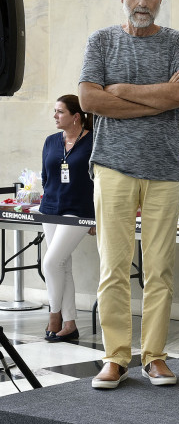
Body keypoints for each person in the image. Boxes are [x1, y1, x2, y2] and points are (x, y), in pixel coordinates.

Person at [78, 0, 179, 389]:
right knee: (113, 266)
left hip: (164, 168)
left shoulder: (176, 42)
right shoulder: (102, 41)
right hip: (113, 165)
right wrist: (156, 99)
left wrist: (122, 91)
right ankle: (115, 357)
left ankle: (156, 357)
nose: (142, 2)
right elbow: (90, 99)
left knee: (160, 269)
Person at [40, 94, 94, 343]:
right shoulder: (51, 141)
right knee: (63, 265)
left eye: (59, 112)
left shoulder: (93, 141)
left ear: (76, 116)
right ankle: (70, 323)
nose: (55, 116)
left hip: (78, 210)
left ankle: (55, 314)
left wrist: (96, 216)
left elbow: (101, 182)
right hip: (50, 208)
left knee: (51, 263)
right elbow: (45, 177)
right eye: (54, 111)